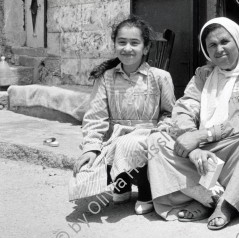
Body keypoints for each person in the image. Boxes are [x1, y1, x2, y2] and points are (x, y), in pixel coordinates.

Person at [147, 17, 239, 230]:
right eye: (212, 45)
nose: (219, 49)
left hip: (234, 149)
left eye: (225, 42)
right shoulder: (204, 74)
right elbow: (184, 108)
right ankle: (209, 198)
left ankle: (228, 204)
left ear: (238, 41)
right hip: (202, 153)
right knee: (157, 139)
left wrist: (201, 137)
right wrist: (193, 147)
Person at [70, 15, 176, 215]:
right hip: (116, 137)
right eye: (122, 42)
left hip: (147, 137)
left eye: (134, 43)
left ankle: (147, 192)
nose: (128, 48)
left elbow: (169, 113)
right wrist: (91, 148)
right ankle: (122, 185)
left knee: (132, 144)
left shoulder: (161, 77)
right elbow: (95, 117)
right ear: (115, 45)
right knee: (86, 167)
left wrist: (161, 130)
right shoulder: (106, 78)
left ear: (145, 48)